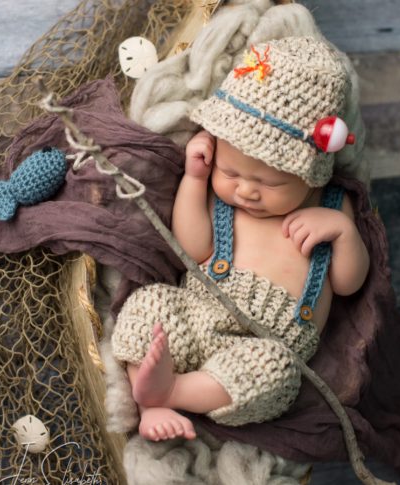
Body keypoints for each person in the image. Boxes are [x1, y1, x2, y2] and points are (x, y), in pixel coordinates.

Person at [111, 36, 370, 442]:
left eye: (270, 183)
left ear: (311, 174)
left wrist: (343, 233)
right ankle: (151, 403)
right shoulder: (221, 200)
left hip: (262, 345)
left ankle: (172, 392)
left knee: (278, 373)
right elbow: (192, 249)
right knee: (151, 302)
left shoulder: (333, 207)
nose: (247, 190)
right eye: (231, 173)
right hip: (197, 312)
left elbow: (348, 283)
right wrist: (196, 179)